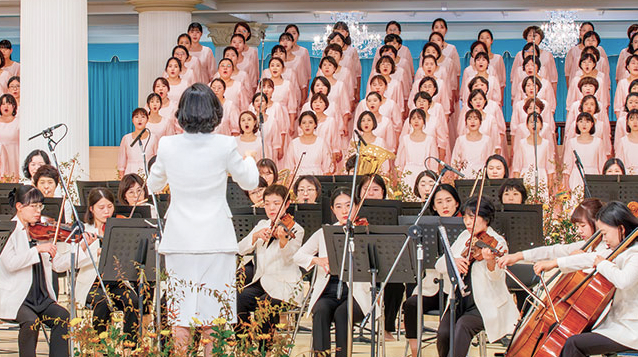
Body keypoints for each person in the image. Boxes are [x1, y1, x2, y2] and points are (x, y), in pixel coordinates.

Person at [147, 83, 259, 356]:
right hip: (215, 239)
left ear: (182, 112)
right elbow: (250, 180)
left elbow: (152, 184)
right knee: (214, 316)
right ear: (214, 112)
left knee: (181, 315)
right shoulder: (224, 144)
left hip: (180, 240)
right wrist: (250, 159)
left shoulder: (168, 144)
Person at [435, 196, 519, 357]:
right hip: (459, 300)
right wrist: (453, 261)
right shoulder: (464, 237)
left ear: (485, 218)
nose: (467, 222)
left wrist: (490, 262)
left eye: (472, 217)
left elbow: (497, 278)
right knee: (444, 333)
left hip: (485, 304)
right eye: (465, 217)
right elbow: (439, 265)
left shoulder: (498, 243)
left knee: (463, 326)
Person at [293, 188, 370, 357]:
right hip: (329, 291)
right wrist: (317, 260)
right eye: (339, 206)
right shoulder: (324, 232)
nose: (344, 211)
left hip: (355, 293)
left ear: (357, 207)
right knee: (320, 310)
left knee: (343, 313)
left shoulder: (365, 231)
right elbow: (298, 255)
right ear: (333, 210)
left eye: (349, 205)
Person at [557, 202, 638, 356]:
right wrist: (554, 263)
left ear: (621, 229)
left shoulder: (635, 253)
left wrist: (603, 264)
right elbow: (593, 258)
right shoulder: (622, 251)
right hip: (618, 325)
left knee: (574, 344)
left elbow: (624, 280)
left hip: (631, 330)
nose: (603, 238)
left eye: (605, 233)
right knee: (570, 331)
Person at [0, 185, 70, 357]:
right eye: (34, 206)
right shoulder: (9, 230)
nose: (38, 211)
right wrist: (36, 251)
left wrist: (81, 247)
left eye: (40, 206)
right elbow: (10, 263)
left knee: (62, 316)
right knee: (31, 322)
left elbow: (58, 265)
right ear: (19, 207)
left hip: (40, 297)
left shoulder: (40, 231)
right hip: (18, 298)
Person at [236, 184, 304, 342]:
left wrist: (283, 241)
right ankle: (243, 345)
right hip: (262, 282)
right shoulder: (262, 225)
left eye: (276, 203)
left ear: (286, 204)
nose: (271, 207)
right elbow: (240, 249)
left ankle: (264, 351)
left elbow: (289, 258)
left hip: (285, 286)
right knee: (238, 299)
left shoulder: (296, 229)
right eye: (267, 203)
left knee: (264, 305)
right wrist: (255, 236)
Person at [512, 113, 555, 192]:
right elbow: (517, 167)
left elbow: (550, 167)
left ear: (541, 125)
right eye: (531, 122)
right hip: (525, 177)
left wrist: (550, 184)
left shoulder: (546, 143)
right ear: (527, 125)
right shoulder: (521, 143)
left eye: (537, 122)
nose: (534, 124)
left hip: (542, 178)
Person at [396, 108, 439, 187]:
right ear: (410, 122)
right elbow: (400, 161)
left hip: (424, 175)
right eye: (413, 118)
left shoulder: (430, 139)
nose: (416, 121)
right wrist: (399, 177)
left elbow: (433, 162)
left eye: (419, 118)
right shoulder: (405, 139)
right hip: (408, 174)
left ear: (424, 121)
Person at [563, 112, 606, 191]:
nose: (584, 124)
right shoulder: (571, 142)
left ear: (592, 124)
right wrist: (566, 184)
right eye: (581, 121)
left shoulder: (598, 142)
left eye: (587, 121)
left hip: (593, 176)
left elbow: (602, 165)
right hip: (576, 177)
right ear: (577, 124)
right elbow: (567, 165)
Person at [451, 109, 495, 178]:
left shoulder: (487, 140)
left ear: (480, 122)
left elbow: (491, 161)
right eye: (469, 119)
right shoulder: (460, 140)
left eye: (476, 118)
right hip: (463, 176)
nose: (472, 121)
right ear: (466, 122)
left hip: (482, 177)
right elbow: (455, 161)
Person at [117, 108, 159, 178]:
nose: (140, 120)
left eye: (143, 117)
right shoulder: (126, 138)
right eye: (136, 117)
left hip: (148, 175)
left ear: (147, 120)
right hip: (130, 175)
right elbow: (122, 162)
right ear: (132, 120)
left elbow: (157, 159)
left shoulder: (153, 138)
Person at [0, 93, 19, 178]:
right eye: (3, 104)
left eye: (9, 103)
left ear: (14, 106)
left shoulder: (19, 122)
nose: (6, 106)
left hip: (14, 156)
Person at [615, 109, 638, 174]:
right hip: (628, 176)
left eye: (637, 119)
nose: (635, 122)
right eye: (632, 119)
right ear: (627, 122)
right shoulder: (623, 141)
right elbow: (619, 163)